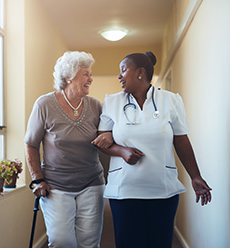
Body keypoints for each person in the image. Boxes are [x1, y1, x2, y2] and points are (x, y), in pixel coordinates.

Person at [92, 51, 212, 248]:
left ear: (141, 72)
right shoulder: (112, 102)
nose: (119, 76)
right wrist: (122, 151)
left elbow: (181, 141)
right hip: (124, 191)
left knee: (160, 243)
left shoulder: (171, 100)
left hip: (162, 190)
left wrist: (195, 176)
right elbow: (103, 142)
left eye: (123, 70)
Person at [24, 51, 113, 248]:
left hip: (92, 182)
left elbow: (108, 135)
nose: (90, 79)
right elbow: (31, 143)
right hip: (56, 185)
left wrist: (108, 135)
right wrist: (37, 179)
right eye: (86, 74)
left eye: (90, 74)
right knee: (61, 241)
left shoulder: (95, 106)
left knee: (89, 242)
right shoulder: (45, 104)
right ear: (68, 77)